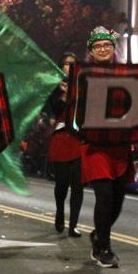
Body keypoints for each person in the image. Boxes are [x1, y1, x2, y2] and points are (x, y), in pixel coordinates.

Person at [81, 26, 133, 268]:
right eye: (98, 46)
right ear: (91, 51)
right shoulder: (84, 77)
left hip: (121, 145)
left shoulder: (127, 76)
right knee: (104, 196)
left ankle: (98, 234)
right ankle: (104, 248)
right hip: (96, 146)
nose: (103, 49)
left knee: (117, 201)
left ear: (113, 48)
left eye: (107, 45)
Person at [44, 52, 83, 237]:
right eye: (66, 63)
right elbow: (55, 109)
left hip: (79, 140)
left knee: (78, 185)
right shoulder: (54, 87)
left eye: (72, 63)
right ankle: (60, 212)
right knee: (61, 185)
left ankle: (73, 224)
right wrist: (65, 96)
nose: (69, 66)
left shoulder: (83, 85)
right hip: (61, 139)